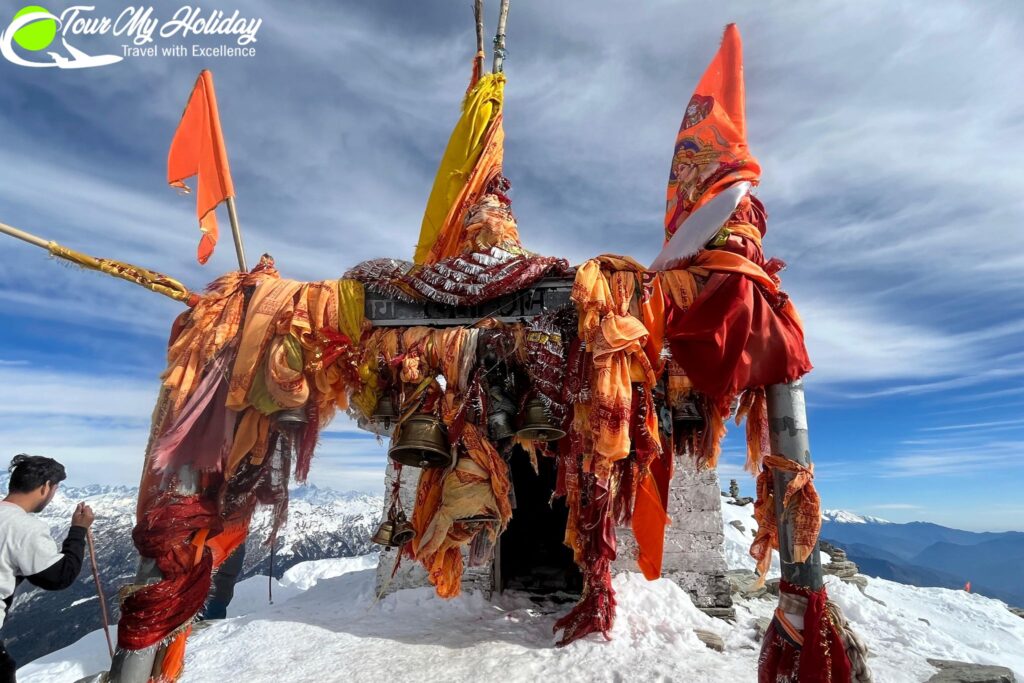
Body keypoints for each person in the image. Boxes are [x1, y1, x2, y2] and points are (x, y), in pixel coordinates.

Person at [0, 455, 94, 682]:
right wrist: (78, 531)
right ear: (45, 487)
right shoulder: (24, 527)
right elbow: (59, 576)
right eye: (55, 489)